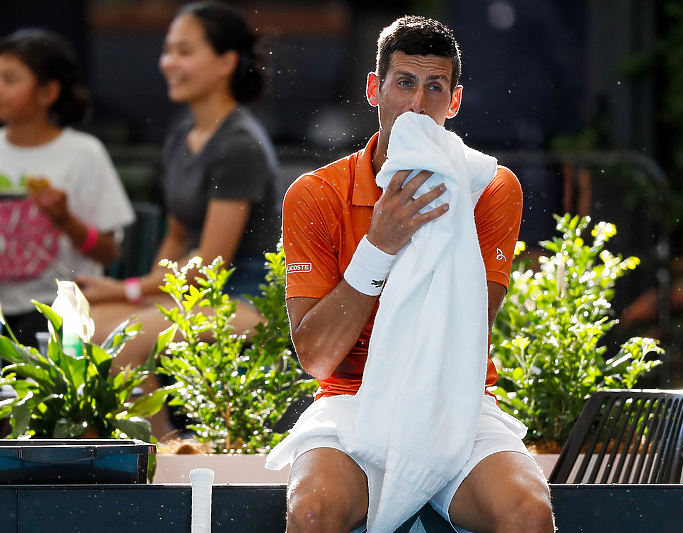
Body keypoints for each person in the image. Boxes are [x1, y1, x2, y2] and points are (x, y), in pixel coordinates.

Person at [275, 15, 554, 533]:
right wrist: (380, 244)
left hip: (454, 402)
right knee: (312, 513)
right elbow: (316, 358)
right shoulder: (314, 194)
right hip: (348, 401)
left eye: (434, 88)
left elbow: (466, 335)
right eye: (404, 83)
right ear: (374, 90)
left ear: (455, 102)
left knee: (529, 514)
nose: (417, 104)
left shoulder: (491, 188)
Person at [76, 1, 281, 439]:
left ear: (226, 61)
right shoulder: (182, 131)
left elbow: (211, 264)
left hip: (244, 303)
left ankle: (167, 455)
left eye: (185, 51)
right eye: (168, 50)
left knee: (121, 340)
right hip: (194, 297)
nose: (168, 62)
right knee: (81, 322)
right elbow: (175, 234)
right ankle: (100, 452)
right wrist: (145, 291)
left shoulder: (239, 144)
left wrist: (128, 289)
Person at [0, 28, 134, 348]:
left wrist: (65, 220)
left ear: (48, 92)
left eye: (10, 79)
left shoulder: (83, 153)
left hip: (62, 305)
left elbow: (109, 251)